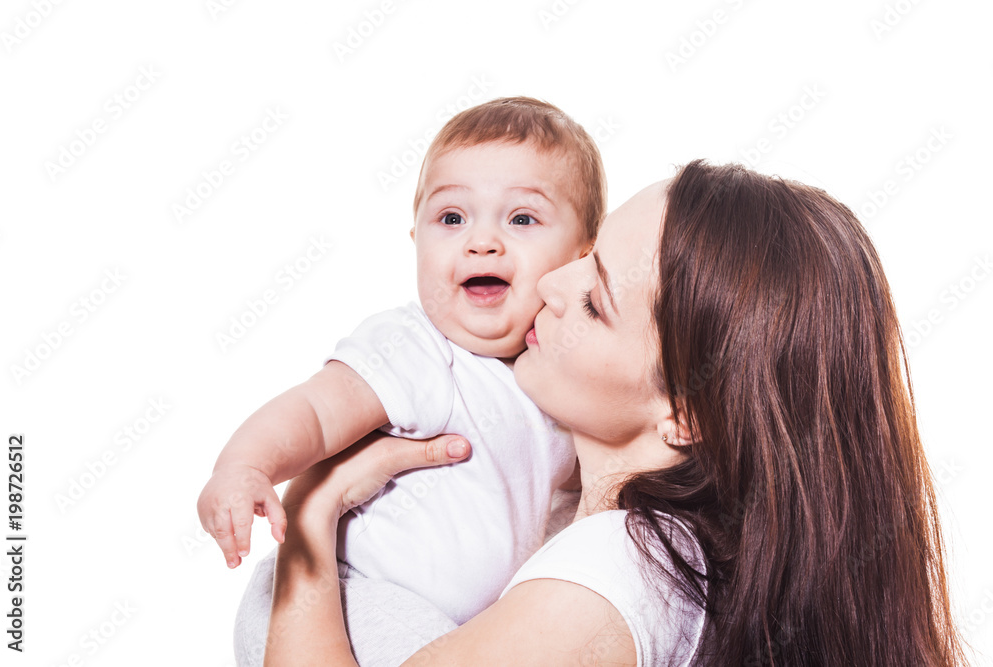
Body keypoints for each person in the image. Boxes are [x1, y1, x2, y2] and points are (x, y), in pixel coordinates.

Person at [265, 160, 966, 666]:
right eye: (591, 253)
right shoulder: (677, 559)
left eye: (598, 301)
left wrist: (309, 521)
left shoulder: (613, 571)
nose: (550, 281)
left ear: (686, 415)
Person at [195, 97, 608, 664]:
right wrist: (245, 466)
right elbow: (315, 411)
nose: (481, 241)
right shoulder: (418, 348)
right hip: (342, 593)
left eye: (521, 219)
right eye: (452, 218)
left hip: (425, 620)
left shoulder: (562, 380)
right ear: (416, 240)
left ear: (583, 257)